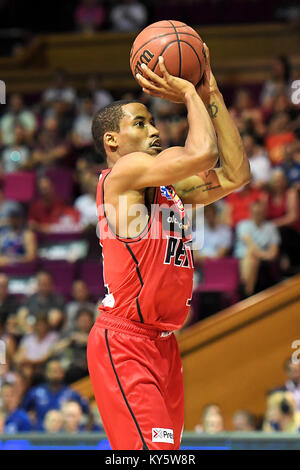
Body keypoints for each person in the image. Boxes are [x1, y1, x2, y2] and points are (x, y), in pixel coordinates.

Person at [87, 44, 250, 450]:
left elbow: (235, 173)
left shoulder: (164, 190)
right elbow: (203, 152)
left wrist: (211, 91)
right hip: (125, 341)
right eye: (140, 124)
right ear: (112, 140)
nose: (155, 130)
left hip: (163, 342)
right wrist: (190, 92)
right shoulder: (122, 174)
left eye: (153, 122)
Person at [21, 359, 89, 430]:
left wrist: (86, 431)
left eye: (57, 370)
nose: (55, 373)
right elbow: (23, 411)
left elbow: (87, 412)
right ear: (46, 373)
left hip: (65, 435)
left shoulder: (71, 393)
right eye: (52, 370)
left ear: (62, 373)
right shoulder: (35, 392)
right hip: (41, 434)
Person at [234, 201, 281, 296]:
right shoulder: (243, 225)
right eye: (255, 213)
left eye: (260, 213)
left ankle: (246, 290)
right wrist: (266, 255)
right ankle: (248, 292)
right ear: (250, 212)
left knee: (252, 258)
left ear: (265, 213)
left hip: (259, 259)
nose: (258, 215)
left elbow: (274, 251)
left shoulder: (271, 227)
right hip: (243, 257)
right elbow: (251, 246)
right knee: (251, 256)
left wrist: (267, 255)